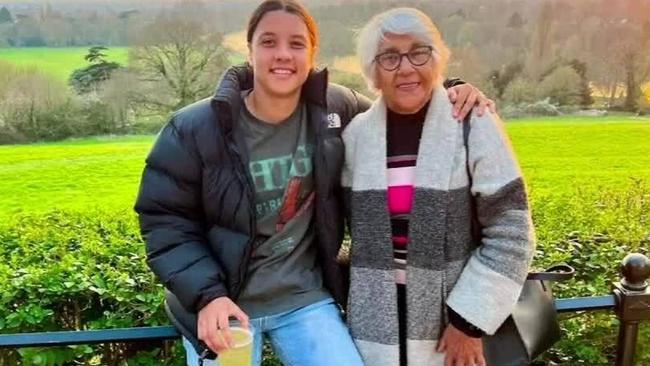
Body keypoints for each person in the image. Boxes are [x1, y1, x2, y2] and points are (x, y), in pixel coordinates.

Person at [134, 1, 494, 365]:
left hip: (304, 299)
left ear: (312, 53)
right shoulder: (194, 128)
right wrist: (206, 296)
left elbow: (400, 110)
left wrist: (452, 89)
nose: (282, 55)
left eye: (296, 44)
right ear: (249, 50)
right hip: (222, 307)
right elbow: (164, 221)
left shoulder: (336, 108)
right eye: (269, 42)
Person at [341, 7, 535, 366]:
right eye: (389, 57)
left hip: (451, 326)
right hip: (373, 326)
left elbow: (512, 234)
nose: (406, 67)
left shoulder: (472, 122)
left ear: (437, 58)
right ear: (373, 72)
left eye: (419, 51)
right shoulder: (355, 137)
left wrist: (469, 321)